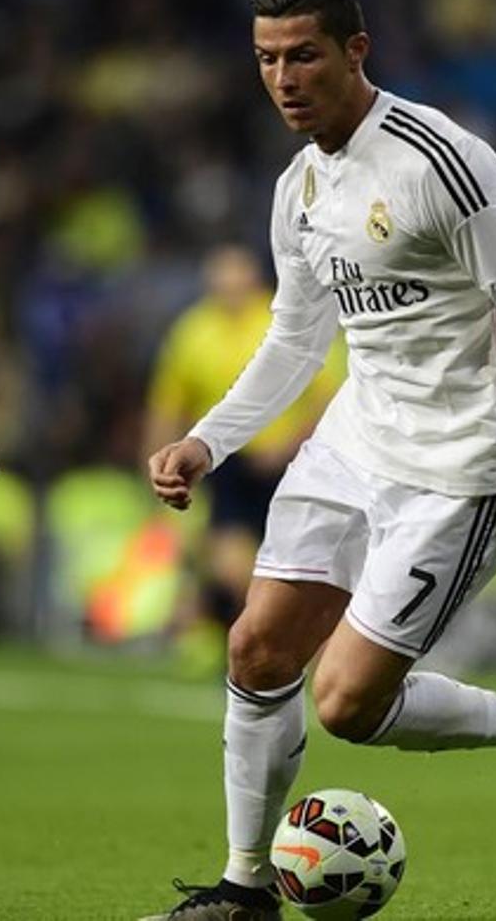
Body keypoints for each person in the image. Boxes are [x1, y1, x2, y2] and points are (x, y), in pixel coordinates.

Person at [142, 0, 496, 920]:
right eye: (266, 59)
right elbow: (295, 338)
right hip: (352, 443)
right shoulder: (300, 183)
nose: (283, 79)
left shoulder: (442, 162)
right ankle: (243, 887)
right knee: (258, 652)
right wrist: (207, 442)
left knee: (348, 705)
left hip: (458, 469)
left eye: (303, 54)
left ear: (356, 51)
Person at [142, 243, 344, 671]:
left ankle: (306, 652)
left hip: (294, 465)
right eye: (220, 277)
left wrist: (287, 446)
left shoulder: (283, 321)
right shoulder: (194, 330)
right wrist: (160, 456)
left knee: (298, 568)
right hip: (229, 467)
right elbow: (169, 402)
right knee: (234, 565)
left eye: (236, 276)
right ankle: (252, 648)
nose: (228, 286)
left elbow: (327, 397)